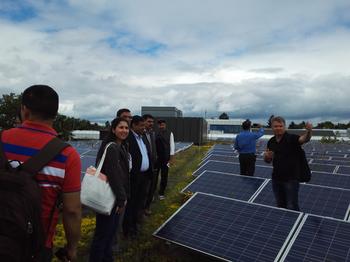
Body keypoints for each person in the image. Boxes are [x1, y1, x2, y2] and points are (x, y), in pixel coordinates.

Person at [1, 85, 81, 261]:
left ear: (24, 110)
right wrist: (72, 247)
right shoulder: (67, 155)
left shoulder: (2, 139)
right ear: (55, 113)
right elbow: (72, 210)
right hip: (35, 247)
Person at [89, 117, 130, 262]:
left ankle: (107, 258)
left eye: (126, 128)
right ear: (113, 130)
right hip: (110, 197)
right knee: (103, 235)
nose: (124, 130)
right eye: (121, 127)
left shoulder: (120, 146)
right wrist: (121, 199)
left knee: (109, 234)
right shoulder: (112, 148)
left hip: (113, 197)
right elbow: (113, 175)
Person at [264, 116, 312, 211]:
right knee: (280, 205)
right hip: (276, 179)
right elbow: (268, 161)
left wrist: (309, 131)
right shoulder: (271, 141)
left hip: (291, 179)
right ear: (272, 128)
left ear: (285, 126)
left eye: (280, 126)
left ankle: (294, 224)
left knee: (292, 206)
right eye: (276, 126)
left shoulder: (292, 138)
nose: (278, 128)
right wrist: (267, 157)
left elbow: (304, 139)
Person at [123, 116, 152, 238]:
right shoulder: (128, 138)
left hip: (144, 176)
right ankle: (128, 229)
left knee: (139, 202)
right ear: (133, 125)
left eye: (144, 126)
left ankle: (135, 224)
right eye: (141, 126)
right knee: (131, 204)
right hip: (134, 177)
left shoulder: (142, 138)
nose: (143, 128)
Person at [155, 119, 175, 200]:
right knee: (154, 177)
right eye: (160, 125)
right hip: (156, 159)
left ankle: (161, 193)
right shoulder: (154, 133)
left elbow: (172, 146)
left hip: (166, 159)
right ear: (158, 125)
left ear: (165, 125)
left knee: (164, 176)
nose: (161, 126)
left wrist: (171, 158)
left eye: (163, 125)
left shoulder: (170, 133)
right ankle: (152, 192)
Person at [142, 114, 157, 215]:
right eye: (149, 122)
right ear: (143, 122)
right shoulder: (140, 134)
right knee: (143, 190)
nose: (151, 124)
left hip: (153, 165)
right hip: (144, 167)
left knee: (152, 188)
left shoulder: (152, 134)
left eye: (152, 122)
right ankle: (141, 209)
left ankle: (147, 207)